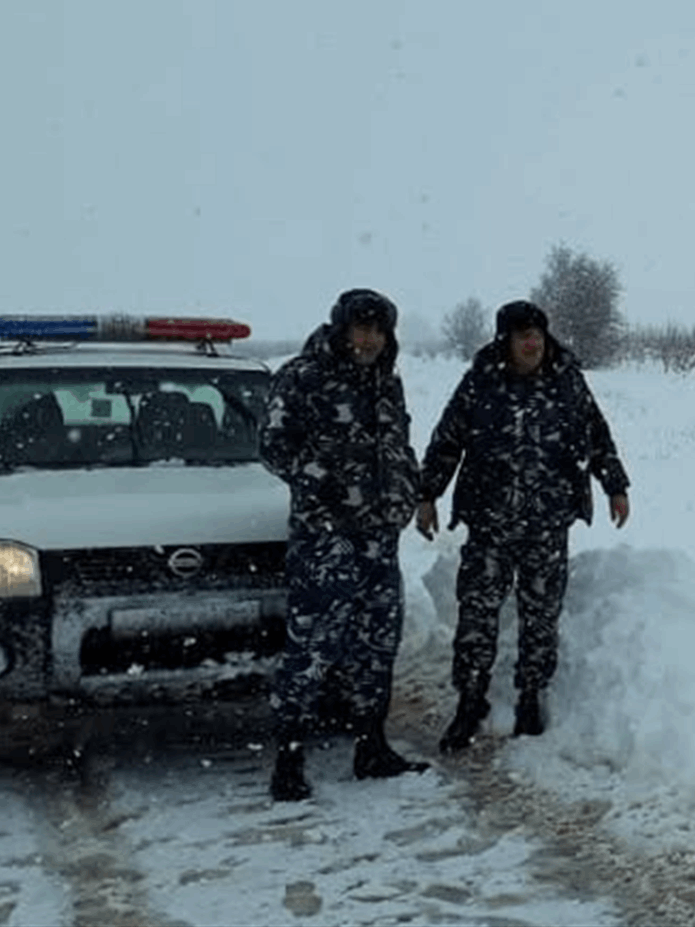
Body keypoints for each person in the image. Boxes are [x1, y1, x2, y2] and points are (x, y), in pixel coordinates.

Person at [416, 299, 631, 753]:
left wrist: (615, 484)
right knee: (477, 615)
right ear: (505, 340)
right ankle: (470, 701)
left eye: (537, 333)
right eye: (522, 336)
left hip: (548, 523)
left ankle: (531, 696)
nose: (532, 343)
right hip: (489, 523)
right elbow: (448, 438)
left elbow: (596, 433)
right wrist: (428, 493)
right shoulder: (481, 382)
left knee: (541, 616)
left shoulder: (565, 380)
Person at [260, 287, 430, 801]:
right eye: (361, 327)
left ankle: (371, 746)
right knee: (312, 649)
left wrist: (414, 494)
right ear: (341, 327)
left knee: (376, 646)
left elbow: (397, 446)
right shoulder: (303, 376)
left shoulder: (386, 382)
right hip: (324, 539)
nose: (370, 338)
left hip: (379, 536)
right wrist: (318, 479)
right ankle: (288, 761)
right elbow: (272, 445)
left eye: (378, 329)